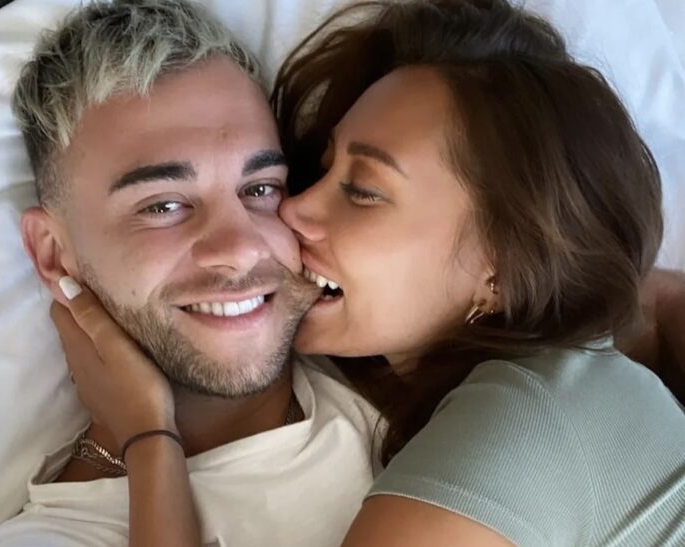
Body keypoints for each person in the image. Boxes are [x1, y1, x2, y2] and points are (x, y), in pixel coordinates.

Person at [39, 1, 685, 546]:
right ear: (51, 250)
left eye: (362, 191)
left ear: (505, 266)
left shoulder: (526, 413)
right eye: (163, 206)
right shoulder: (562, 384)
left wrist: (149, 439)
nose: (292, 209)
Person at [0, 2, 381, 546]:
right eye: (163, 205)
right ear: (52, 254)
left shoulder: (397, 374)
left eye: (259, 189)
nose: (239, 250)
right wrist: (150, 437)